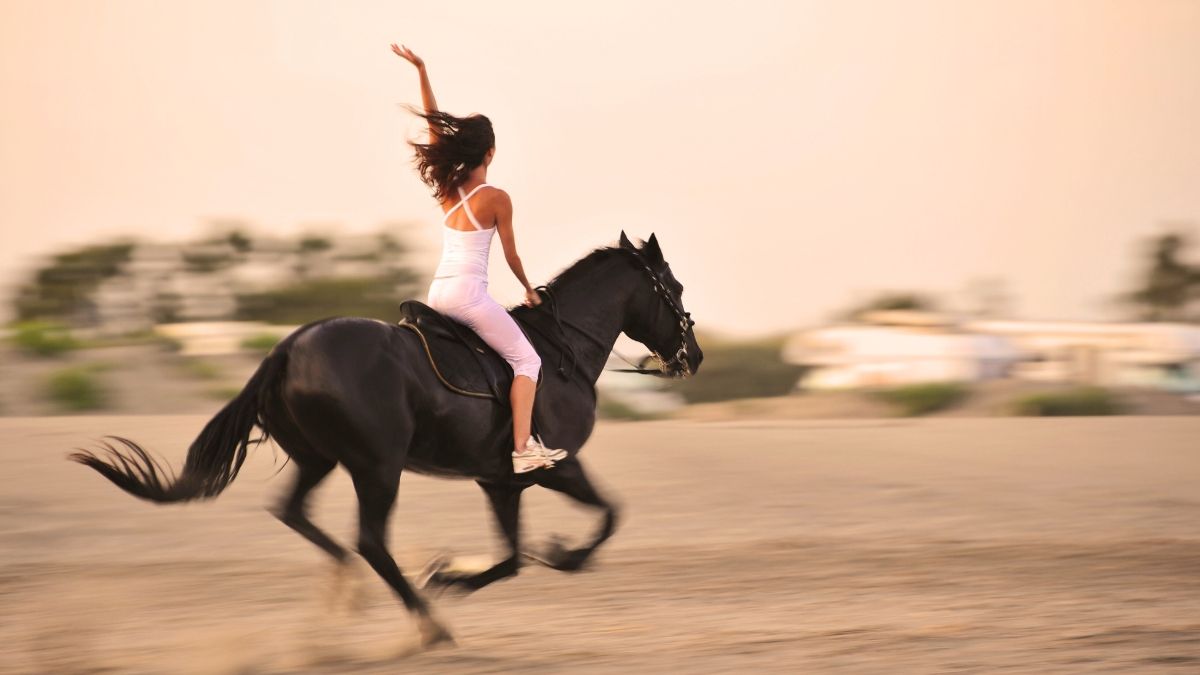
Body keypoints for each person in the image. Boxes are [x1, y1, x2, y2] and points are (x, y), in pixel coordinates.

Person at [393, 43, 567, 474]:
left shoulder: (448, 192)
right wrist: (530, 291)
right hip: (470, 296)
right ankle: (523, 448)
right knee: (527, 361)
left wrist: (422, 69)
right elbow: (511, 254)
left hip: (439, 294)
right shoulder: (496, 198)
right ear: (489, 153)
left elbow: (435, 128)